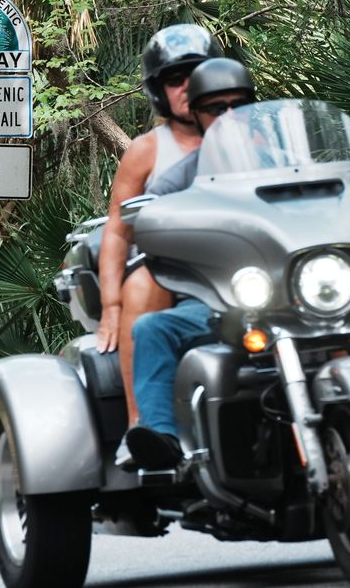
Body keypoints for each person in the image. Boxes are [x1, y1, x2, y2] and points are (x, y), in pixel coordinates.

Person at [96, 24, 223, 468]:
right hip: (170, 269)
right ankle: (141, 425)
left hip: (239, 267)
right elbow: (117, 230)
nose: (187, 86)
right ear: (159, 91)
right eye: (175, 79)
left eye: (197, 74)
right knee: (143, 284)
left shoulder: (249, 137)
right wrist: (111, 304)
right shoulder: (148, 150)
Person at [123, 57, 257, 470]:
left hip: (296, 293)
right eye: (217, 108)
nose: (229, 115)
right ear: (197, 115)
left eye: (239, 105)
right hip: (216, 301)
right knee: (151, 328)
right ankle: (162, 437)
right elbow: (144, 231)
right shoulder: (178, 180)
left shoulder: (285, 160)